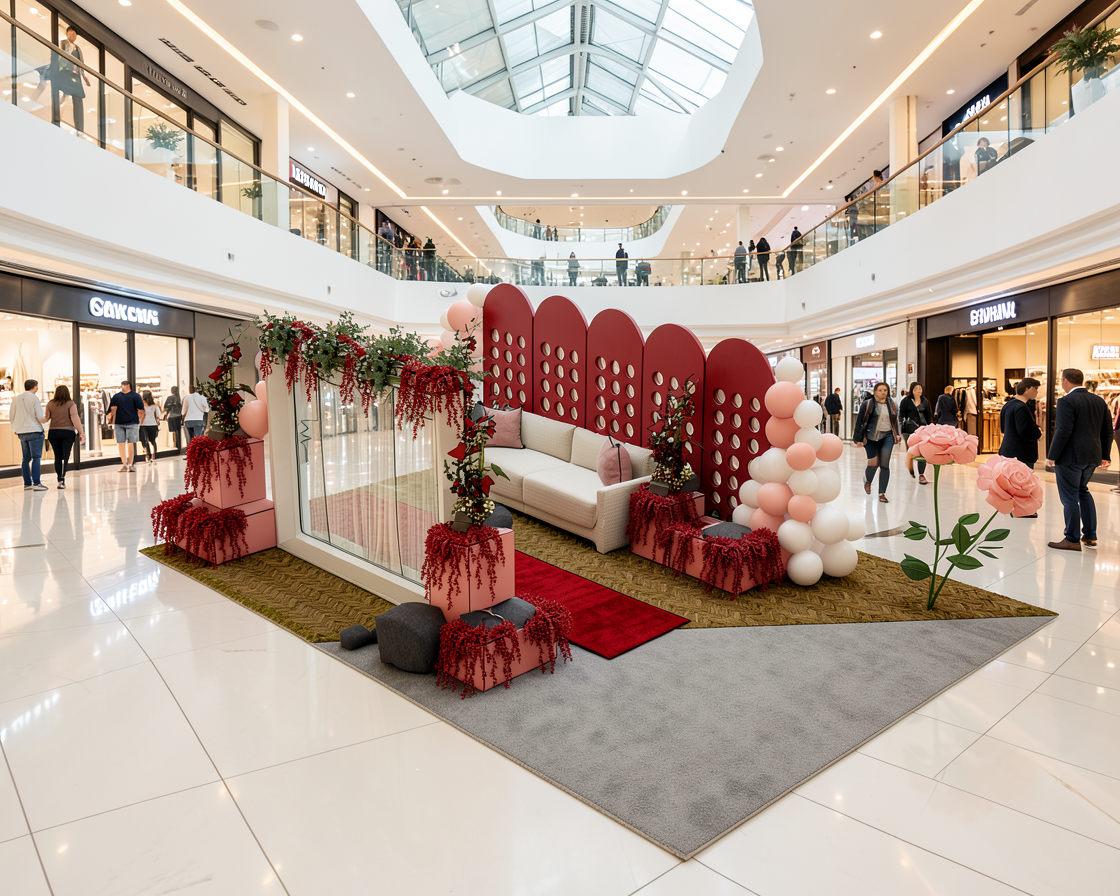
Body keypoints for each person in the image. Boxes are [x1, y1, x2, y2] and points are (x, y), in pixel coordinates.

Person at [1046, 368, 1112, 551]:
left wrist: (1052, 455)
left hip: (1070, 457)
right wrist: (1105, 455)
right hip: (1092, 456)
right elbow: (1107, 430)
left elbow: (1063, 430)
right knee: (1083, 491)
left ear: (1065, 380)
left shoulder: (1066, 401)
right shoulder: (1099, 401)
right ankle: (1089, 535)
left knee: (1069, 497)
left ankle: (1072, 539)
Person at [853, 381, 900, 503]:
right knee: (873, 463)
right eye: (880, 390)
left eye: (885, 390)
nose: (883, 393)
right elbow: (860, 421)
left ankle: (882, 493)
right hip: (871, 437)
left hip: (888, 436)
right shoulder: (868, 404)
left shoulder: (892, 404)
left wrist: (897, 434)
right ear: (875, 392)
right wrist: (857, 439)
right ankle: (868, 481)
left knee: (884, 464)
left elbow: (895, 421)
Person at [11, 379, 50, 491]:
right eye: (37, 386)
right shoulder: (34, 398)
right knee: (36, 457)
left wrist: (15, 428)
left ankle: (27, 483)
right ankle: (37, 483)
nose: (37, 388)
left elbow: (12, 415)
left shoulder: (16, 399)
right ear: (34, 387)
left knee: (26, 458)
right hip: (34, 430)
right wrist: (47, 419)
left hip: (21, 432)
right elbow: (40, 416)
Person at [53, 27, 92, 135]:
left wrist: (85, 79)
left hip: (75, 76)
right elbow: (57, 58)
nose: (72, 36)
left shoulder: (78, 49)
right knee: (61, 97)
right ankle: (56, 120)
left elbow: (81, 64)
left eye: (74, 34)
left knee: (78, 99)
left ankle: (80, 129)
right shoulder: (62, 43)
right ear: (66, 33)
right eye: (71, 33)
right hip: (64, 73)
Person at [45, 384, 84, 489]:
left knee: (57, 456)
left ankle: (59, 479)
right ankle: (62, 478)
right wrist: (81, 432)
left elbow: (46, 418)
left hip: (53, 432)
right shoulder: (71, 404)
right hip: (67, 432)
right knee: (66, 455)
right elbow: (75, 418)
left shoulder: (50, 404)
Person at [107, 380, 145, 472]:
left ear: (128, 385)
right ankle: (124, 464)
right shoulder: (117, 396)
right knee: (121, 443)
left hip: (132, 422)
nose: (122, 387)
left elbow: (141, 409)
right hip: (119, 423)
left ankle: (130, 464)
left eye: (123, 385)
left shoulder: (135, 396)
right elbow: (111, 409)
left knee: (130, 443)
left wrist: (139, 420)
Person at [899, 382, 931, 484]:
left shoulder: (925, 401)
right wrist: (899, 430)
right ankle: (910, 468)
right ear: (912, 390)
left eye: (920, 389)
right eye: (916, 389)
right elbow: (901, 416)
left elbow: (928, 416)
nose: (918, 391)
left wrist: (929, 429)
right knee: (911, 451)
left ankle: (921, 474)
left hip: (922, 430)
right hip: (908, 429)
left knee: (923, 451)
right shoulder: (906, 401)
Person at [139, 390, 162, 463]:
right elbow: (159, 415)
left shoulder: (141, 406)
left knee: (144, 440)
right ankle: (153, 455)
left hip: (143, 425)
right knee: (152, 441)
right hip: (153, 424)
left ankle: (147, 455)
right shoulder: (155, 406)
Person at [164, 385, 183, 451]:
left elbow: (165, 407)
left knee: (173, 432)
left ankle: (174, 445)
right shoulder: (179, 398)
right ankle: (178, 445)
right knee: (178, 431)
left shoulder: (169, 398)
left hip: (171, 416)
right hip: (178, 416)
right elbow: (181, 408)